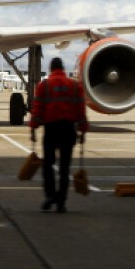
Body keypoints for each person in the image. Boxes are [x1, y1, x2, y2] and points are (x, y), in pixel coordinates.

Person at [30, 57, 88, 213]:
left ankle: (50, 196)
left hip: (51, 129)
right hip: (68, 129)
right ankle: (61, 202)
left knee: (48, 165)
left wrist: (33, 129)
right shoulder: (74, 86)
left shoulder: (44, 85)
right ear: (63, 68)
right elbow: (80, 110)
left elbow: (37, 109)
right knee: (64, 168)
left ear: (51, 69)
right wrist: (83, 130)